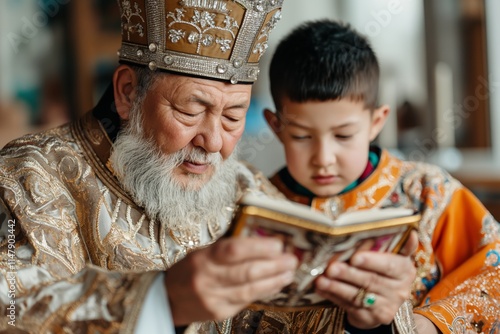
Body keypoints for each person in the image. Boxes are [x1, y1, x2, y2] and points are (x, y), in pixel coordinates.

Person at [0, 2, 417, 332]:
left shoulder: (244, 191)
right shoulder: (25, 177)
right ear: (127, 92)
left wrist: (361, 317)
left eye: (234, 117)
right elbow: (11, 311)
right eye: (190, 110)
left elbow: (282, 322)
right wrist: (162, 300)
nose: (214, 142)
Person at [260, 19, 500, 333]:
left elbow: (492, 268)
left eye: (344, 136)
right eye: (302, 137)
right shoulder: (262, 206)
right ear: (276, 126)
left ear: (377, 121)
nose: (323, 159)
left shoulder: (429, 194)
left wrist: (419, 325)